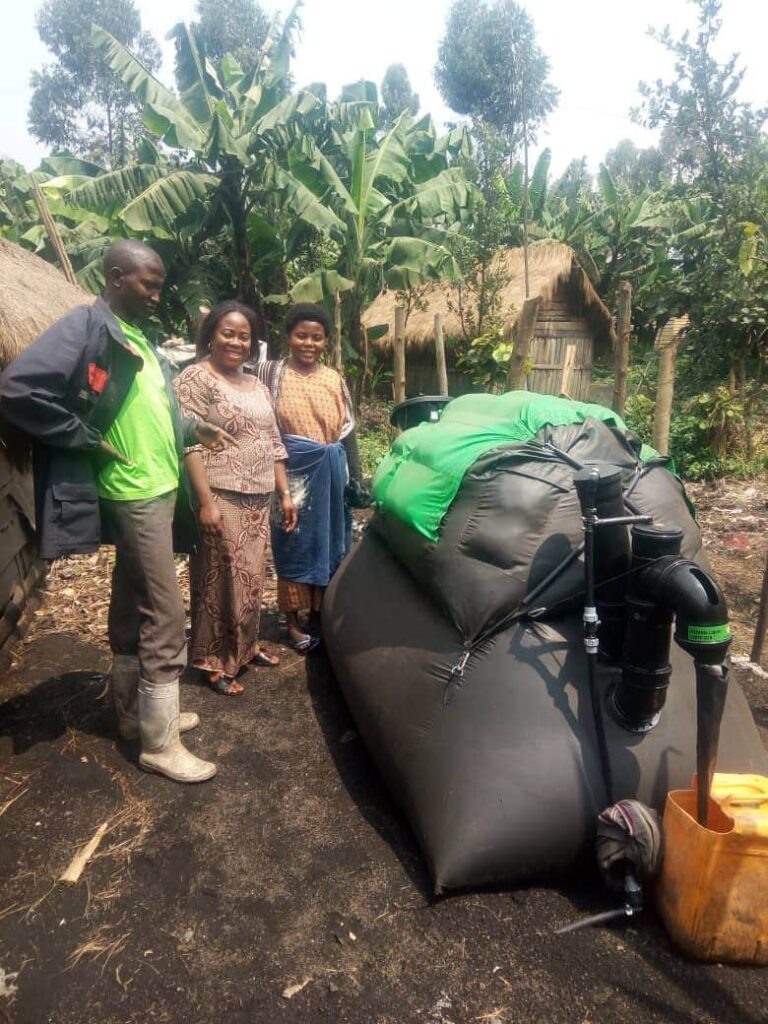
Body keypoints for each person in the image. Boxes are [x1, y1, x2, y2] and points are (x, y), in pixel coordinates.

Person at [0, 240, 233, 783]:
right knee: (166, 614)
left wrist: (188, 429)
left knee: (133, 601)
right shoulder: (85, 327)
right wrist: (81, 435)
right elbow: (16, 390)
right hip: (130, 491)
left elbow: (144, 410)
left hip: (157, 485)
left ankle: (137, 715)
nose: (157, 294)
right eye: (147, 283)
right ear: (115, 277)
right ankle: (159, 742)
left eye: (159, 285)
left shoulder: (138, 341)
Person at [174, 301, 297, 696]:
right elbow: (187, 443)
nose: (235, 341)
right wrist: (205, 500)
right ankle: (212, 660)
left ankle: (244, 648)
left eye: (244, 336)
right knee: (218, 580)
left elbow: (273, 441)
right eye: (228, 332)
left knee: (250, 579)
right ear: (211, 334)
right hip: (221, 493)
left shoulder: (257, 383)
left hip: (259, 497)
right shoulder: (194, 378)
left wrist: (285, 493)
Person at [256, 303, 364, 651]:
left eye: (317, 337)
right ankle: (291, 620)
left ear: (326, 342)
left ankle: (319, 613)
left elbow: (346, 430)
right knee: (292, 541)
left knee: (330, 540)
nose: (309, 343)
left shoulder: (333, 379)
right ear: (289, 337)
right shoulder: (271, 374)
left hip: (331, 470)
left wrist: (355, 477)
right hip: (291, 472)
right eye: (301, 335)